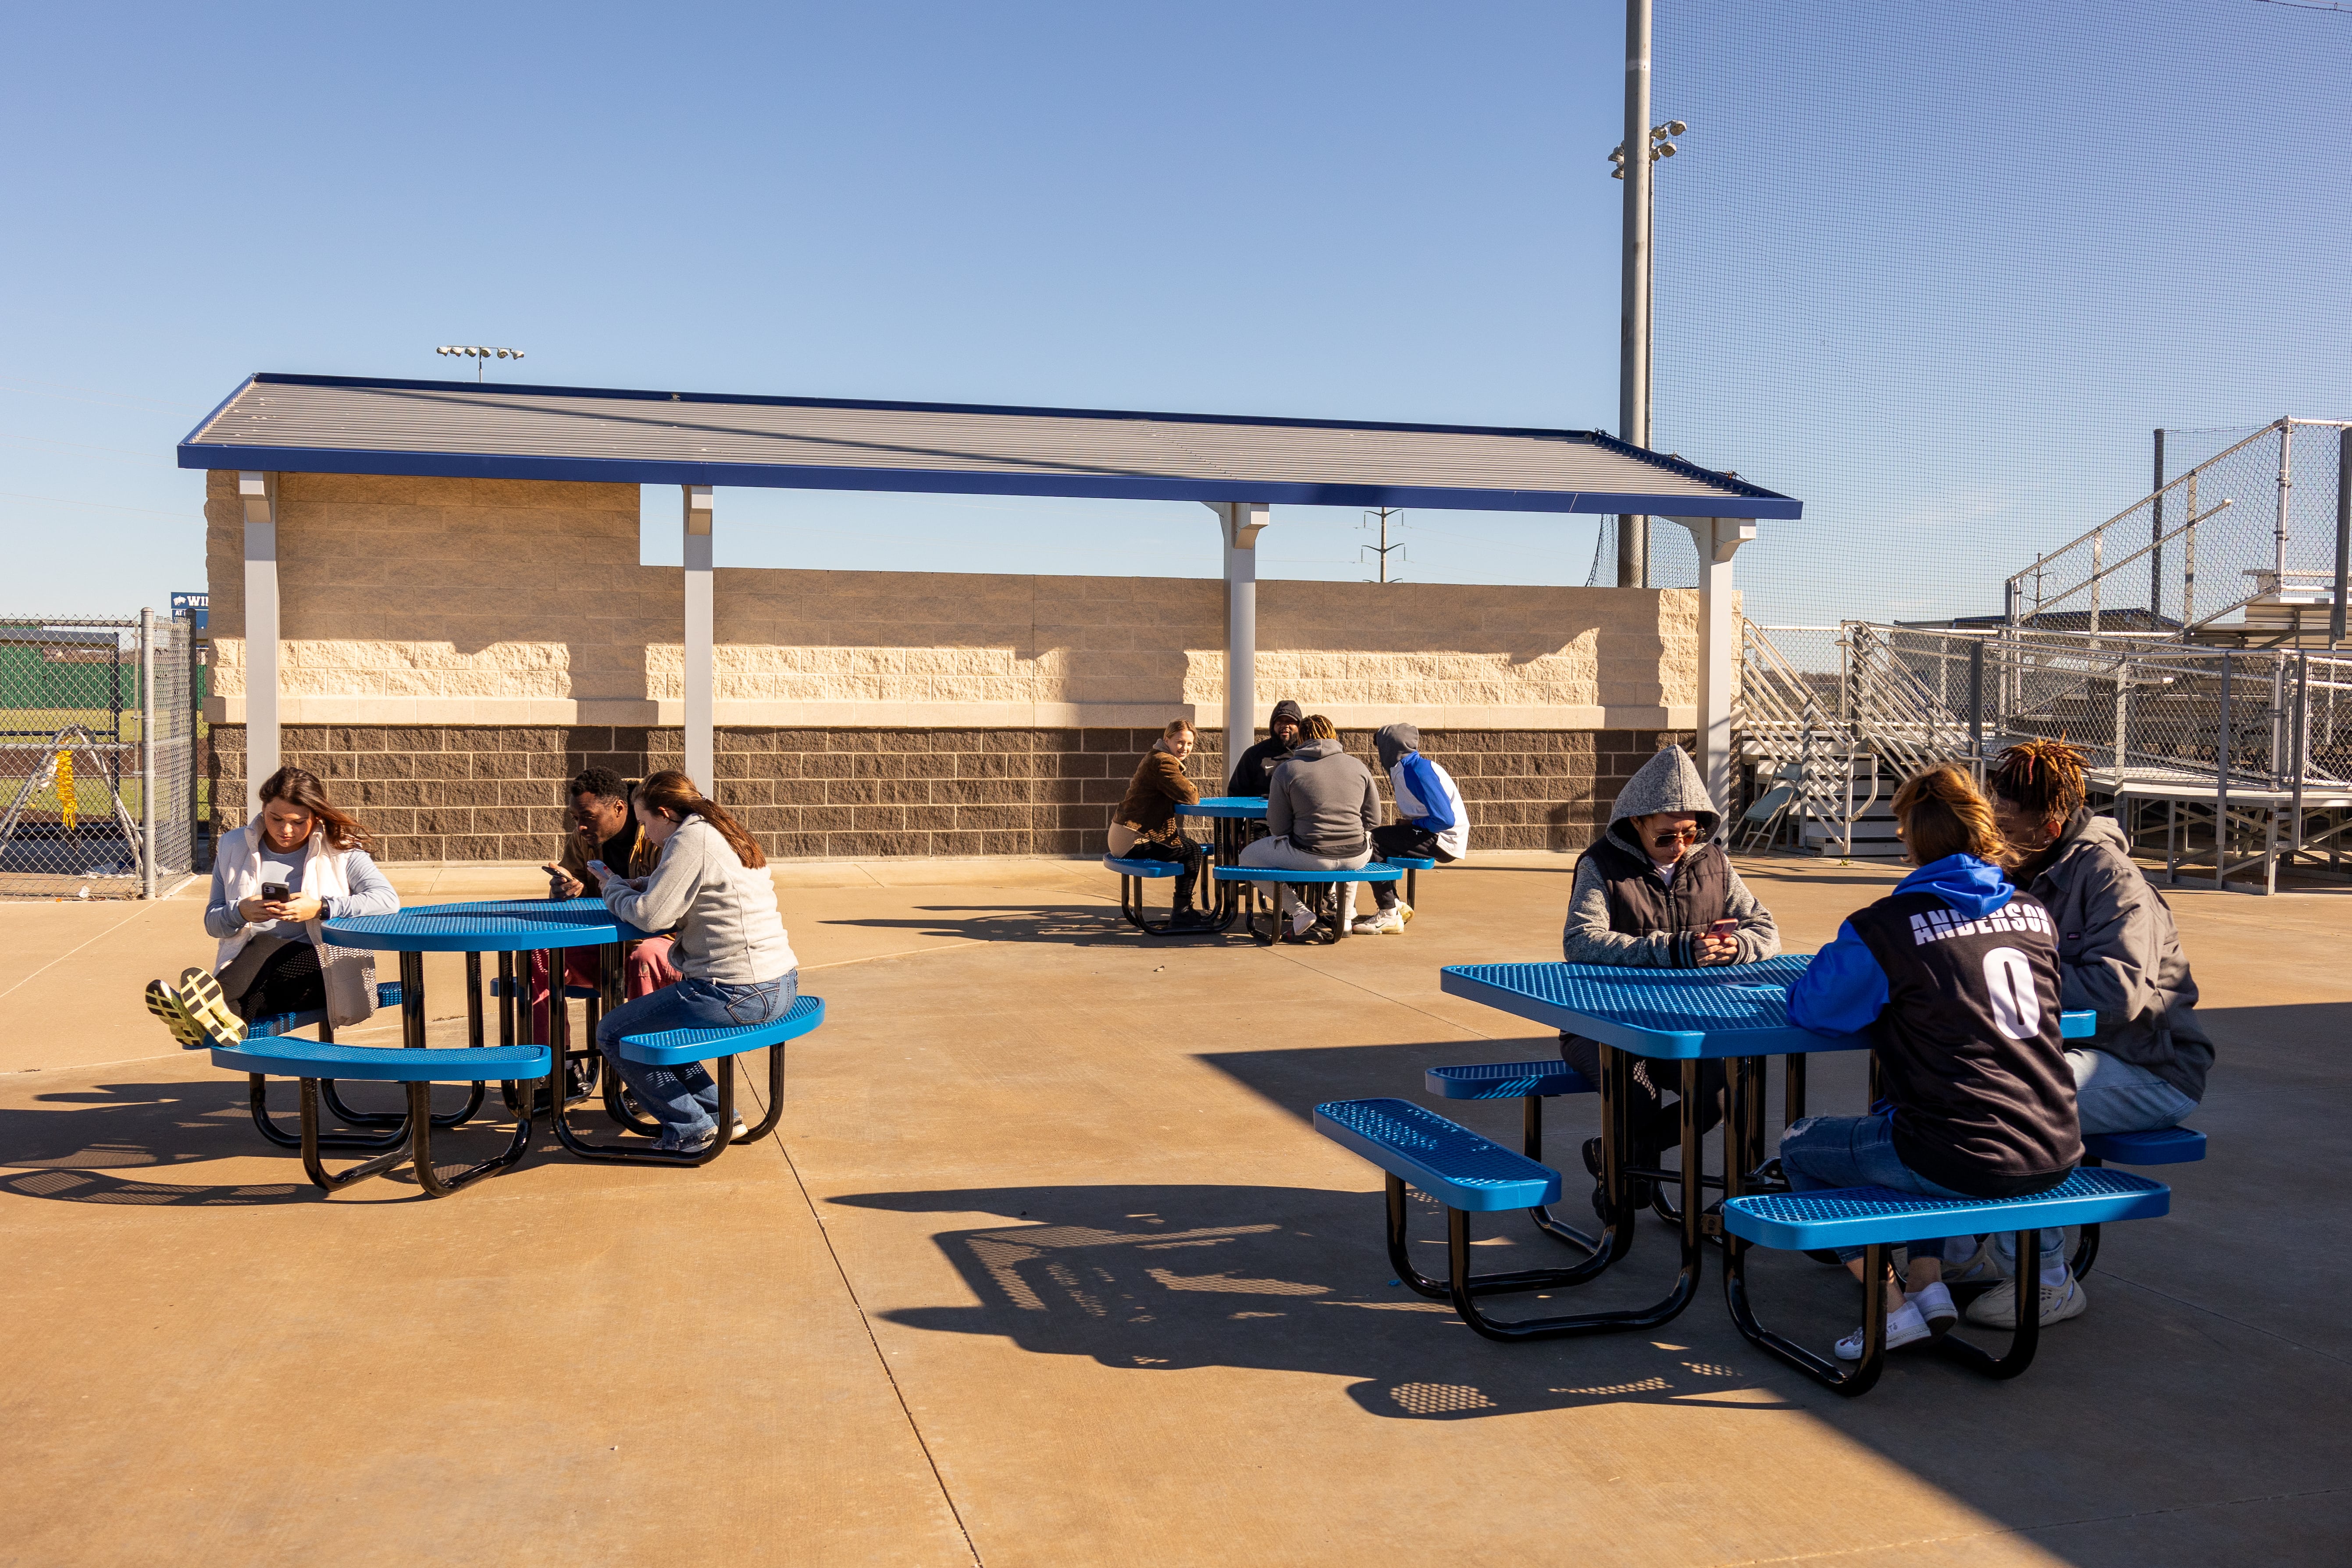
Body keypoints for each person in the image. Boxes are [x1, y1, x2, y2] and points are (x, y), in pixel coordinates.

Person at [1780, 764, 2085, 1358]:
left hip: (1959, 1155)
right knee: (1907, 1117)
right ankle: (1928, 1282)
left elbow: (1815, 1009)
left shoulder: (1887, 926)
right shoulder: (2034, 914)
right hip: (2056, 1144)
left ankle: (1889, 1310)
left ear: (1914, 839)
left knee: (1800, 1148)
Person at [1935, 738, 2217, 1322]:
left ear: (2052, 825)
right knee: (1945, 1074)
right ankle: (1957, 1252)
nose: (1998, 842)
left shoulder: (2114, 881)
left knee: (2026, 1096)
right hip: (2069, 1052)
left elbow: (2120, 995)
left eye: (2009, 830)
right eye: (1995, 825)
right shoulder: (2019, 871)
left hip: (2150, 1068)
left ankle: (2046, 1278)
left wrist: (2014, 979)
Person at [1556, 745, 1779, 1207]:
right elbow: (1581, 940)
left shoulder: (1713, 861)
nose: (1679, 846)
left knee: (1716, 1098)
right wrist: (1672, 949)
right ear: (1635, 822)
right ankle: (1624, 1190)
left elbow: (1765, 927)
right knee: (1636, 1093)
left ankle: (1614, 1159)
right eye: (1665, 836)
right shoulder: (1600, 864)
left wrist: (1738, 947)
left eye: (1690, 832)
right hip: (1602, 1021)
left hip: (1683, 1022)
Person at [593, 771, 800, 1153]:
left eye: (645, 823)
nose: (645, 835)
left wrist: (613, 888)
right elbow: (693, 888)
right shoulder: (718, 829)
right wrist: (646, 884)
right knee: (653, 1033)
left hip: (737, 991)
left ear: (665, 812)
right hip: (780, 983)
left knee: (612, 1032)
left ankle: (691, 1128)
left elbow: (652, 919)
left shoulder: (689, 839)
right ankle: (720, 1116)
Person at [153, 766, 402, 1049]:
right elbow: (213, 924)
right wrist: (241, 912)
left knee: (264, 943)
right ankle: (215, 1020)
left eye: (299, 822)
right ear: (263, 810)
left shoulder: (340, 849)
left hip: (322, 974)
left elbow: (386, 900)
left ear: (317, 816)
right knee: (245, 995)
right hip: (254, 978)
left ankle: (196, 1014)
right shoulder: (234, 845)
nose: (286, 830)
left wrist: (320, 908)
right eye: (277, 819)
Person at [531, 767, 680, 1044]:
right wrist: (569, 890)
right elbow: (575, 893)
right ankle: (555, 1064)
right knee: (539, 953)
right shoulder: (583, 840)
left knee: (643, 957)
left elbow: (666, 914)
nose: (580, 827)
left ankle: (645, 1068)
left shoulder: (660, 836)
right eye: (575, 819)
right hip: (605, 947)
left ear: (620, 808)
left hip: (656, 948)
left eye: (588, 817)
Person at [1238, 714, 1379, 942]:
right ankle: (1344, 917)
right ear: (1334, 735)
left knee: (1248, 857)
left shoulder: (1288, 769)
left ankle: (1300, 912)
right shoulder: (1358, 766)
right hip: (1356, 855)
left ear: (1301, 738)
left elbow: (1279, 828)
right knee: (1362, 841)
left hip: (1310, 854)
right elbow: (1374, 819)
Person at [1352, 723, 1467, 935]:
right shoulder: (1406, 767)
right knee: (1381, 841)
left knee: (1371, 841)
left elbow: (1445, 819)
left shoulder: (1418, 770)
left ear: (1391, 748)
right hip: (1436, 834)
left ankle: (1388, 912)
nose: (1379, 754)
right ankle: (1394, 905)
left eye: (1381, 747)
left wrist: (1414, 824)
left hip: (1444, 840)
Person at [1108, 719, 1212, 926]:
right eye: (1180, 742)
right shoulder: (1164, 762)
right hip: (1132, 839)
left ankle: (1183, 910)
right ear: (1167, 739)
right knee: (1192, 850)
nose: (1185, 748)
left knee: (1188, 847)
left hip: (1124, 835)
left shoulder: (1156, 757)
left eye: (1190, 744)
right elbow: (1191, 796)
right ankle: (1181, 913)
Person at [1226, 699, 1303, 798]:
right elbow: (1236, 793)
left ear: (1299, 726)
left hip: (1299, 813)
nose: (1284, 726)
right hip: (1263, 812)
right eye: (1280, 722)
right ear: (1273, 725)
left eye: (1290, 721)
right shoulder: (1254, 755)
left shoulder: (1307, 753)